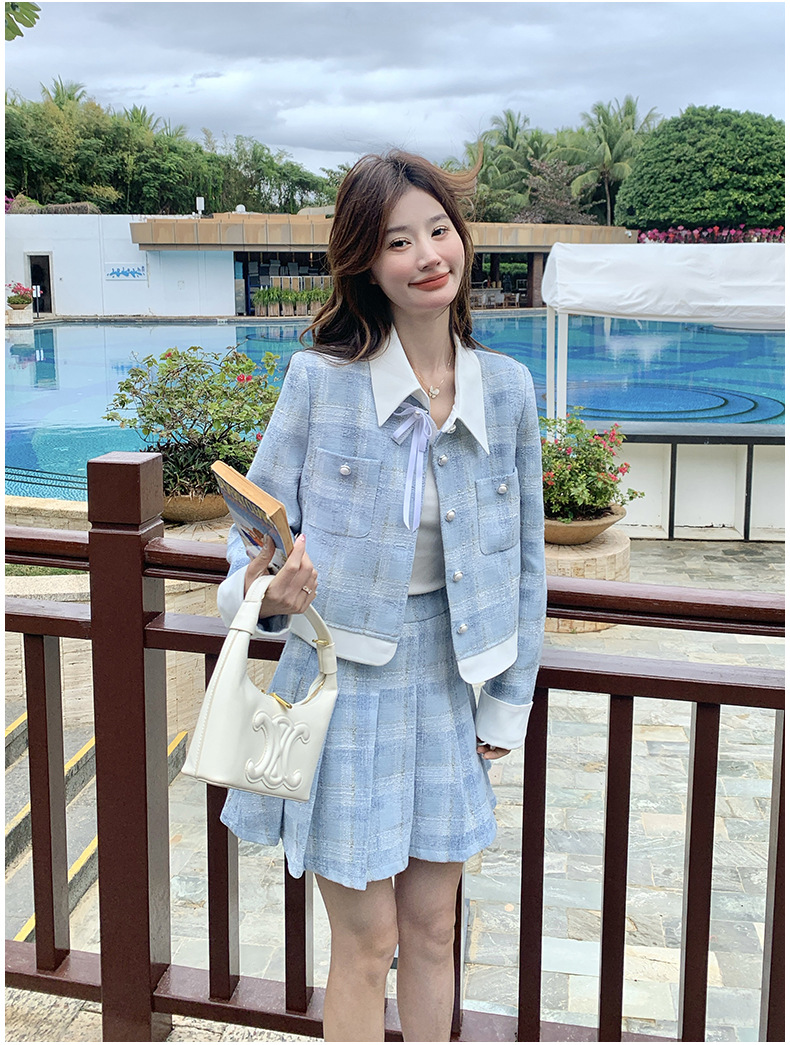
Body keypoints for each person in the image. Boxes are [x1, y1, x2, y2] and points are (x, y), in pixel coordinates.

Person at [216, 150, 546, 1042]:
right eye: (399, 241)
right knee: (367, 943)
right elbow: (247, 541)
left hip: (450, 682)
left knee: (434, 930)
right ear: (365, 262)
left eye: (439, 230)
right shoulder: (319, 383)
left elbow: (526, 567)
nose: (427, 255)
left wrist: (508, 703)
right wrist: (272, 591)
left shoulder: (508, 390)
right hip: (343, 686)